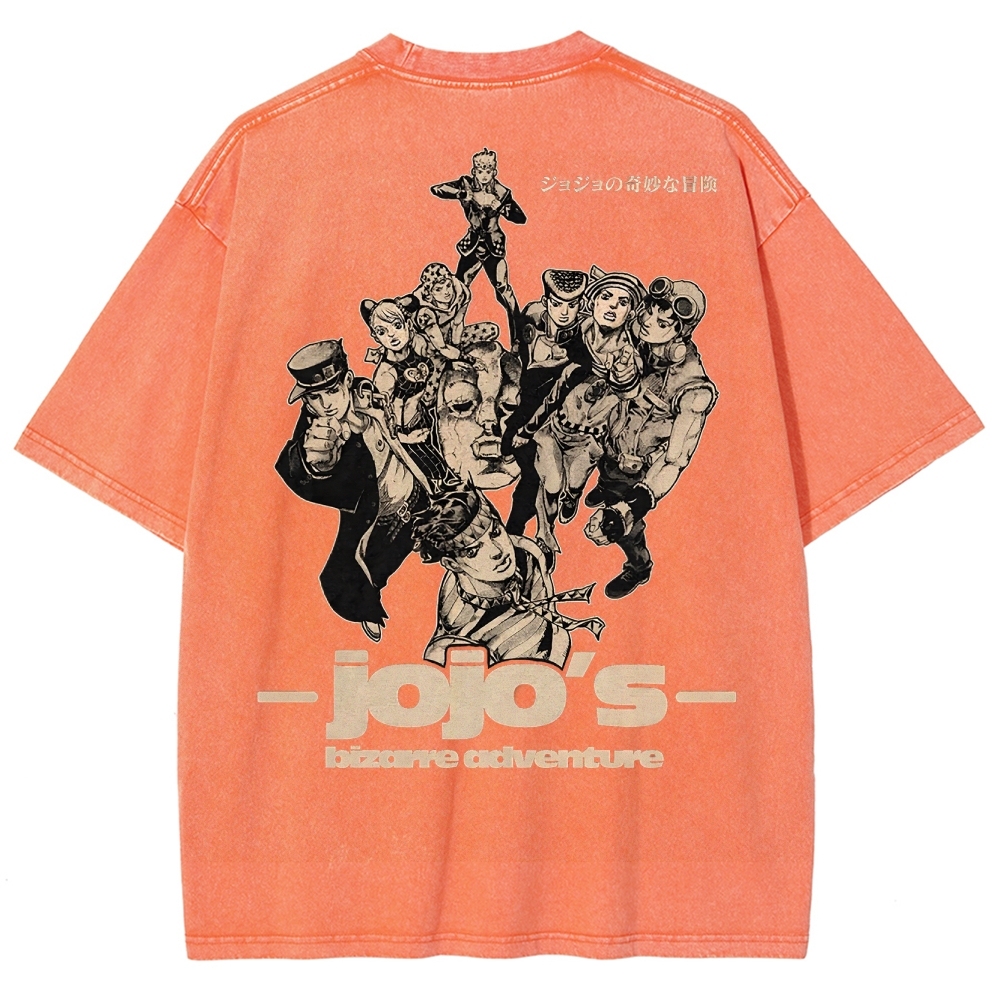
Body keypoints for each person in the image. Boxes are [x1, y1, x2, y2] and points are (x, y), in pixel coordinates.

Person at [274, 339, 433, 643]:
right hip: (383, 519)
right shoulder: (317, 431)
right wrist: (319, 466)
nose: (325, 404)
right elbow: (299, 467)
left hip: (421, 493)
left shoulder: (366, 392)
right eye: (314, 397)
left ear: (347, 380)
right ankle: (368, 610)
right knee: (356, 576)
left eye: (332, 391)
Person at [584, 277, 717, 598]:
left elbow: (675, 459)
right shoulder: (642, 337)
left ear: (680, 335)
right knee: (605, 475)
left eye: (662, 322)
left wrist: (631, 507)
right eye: (648, 312)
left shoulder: (693, 390)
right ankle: (604, 486)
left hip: (638, 469)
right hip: (611, 444)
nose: (647, 322)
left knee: (626, 531)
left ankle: (639, 567)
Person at [515, 266, 645, 552]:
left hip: (588, 441)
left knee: (573, 485)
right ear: (592, 302)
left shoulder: (628, 357)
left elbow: (629, 398)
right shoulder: (577, 331)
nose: (612, 306)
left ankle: (572, 496)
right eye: (606, 297)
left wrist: (622, 377)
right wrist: (527, 429)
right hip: (555, 427)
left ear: (630, 312)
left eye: (622, 302)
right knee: (551, 484)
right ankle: (545, 533)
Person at [410, 481, 604, 667]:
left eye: (495, 532)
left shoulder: (527, 553)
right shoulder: (460, 632)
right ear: (452, 564)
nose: (498, 551)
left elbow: (552, 622)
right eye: (473, 551)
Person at [503, 268, 589, 535]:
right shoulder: (533, 314)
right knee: (507, 452)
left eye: (572, 305)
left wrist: (526, 431)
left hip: (550, 416)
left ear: (581, 306)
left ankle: (517, 529)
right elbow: (519, 342)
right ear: (546, 300)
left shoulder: (583, 340)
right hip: (523, 402)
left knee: (533, 478)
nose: (564, 312)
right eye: (557, 303)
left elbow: (556, 395)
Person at [360, 297, 452, 485]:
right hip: (405, 437)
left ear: (408, 325)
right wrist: (404, 438)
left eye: (396, 325)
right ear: (376, 337)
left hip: (425, 422)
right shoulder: (386, 374)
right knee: (437, 477)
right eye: (382, 331)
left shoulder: (418, 350)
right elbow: (378, 417)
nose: (391, 335)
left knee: (447, 469)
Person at [430, 148, 526, 316]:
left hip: (493, 247)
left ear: (494, 172)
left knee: (503, 289)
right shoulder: (465, 184)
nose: (484, 175)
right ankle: (449, 329)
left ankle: (519, 329)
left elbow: (521, 218)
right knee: (459, 288)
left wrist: (502, 208)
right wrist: (461, 194)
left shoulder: (502, 192)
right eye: (480, 171)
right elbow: (437, 189)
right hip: (472, 245)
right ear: (474, 171)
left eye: (488, 171)